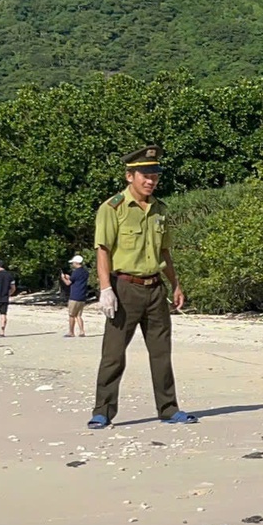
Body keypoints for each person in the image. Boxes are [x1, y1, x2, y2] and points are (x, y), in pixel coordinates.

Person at [89, 145, 195, 429]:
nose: (151, 181)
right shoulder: (112, 208)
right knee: (113, 354)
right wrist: (105, 289)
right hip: (125, 288)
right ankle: (102, 411)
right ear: (130, 176)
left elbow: (164, 252)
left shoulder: (160, 209)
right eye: (145, 176)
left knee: (161, 353)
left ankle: (169, 409)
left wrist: (175, 284)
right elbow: (102, 250)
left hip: (155, 289)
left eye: (155, 176)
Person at [61, 255, 89, 338]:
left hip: (75, 296)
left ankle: (71, 332)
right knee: (79, 315)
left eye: (73, 263)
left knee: (72, 315)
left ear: (76, 263)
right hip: (82, 296)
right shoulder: (85, 272)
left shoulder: (76, 272)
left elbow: (68, 283)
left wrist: (63, 278)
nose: (72, 264)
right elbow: (76, 280)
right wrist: (69, 277)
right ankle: (82, 331)